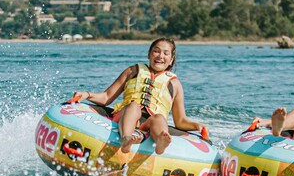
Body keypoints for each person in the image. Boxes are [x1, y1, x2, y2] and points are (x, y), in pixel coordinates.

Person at [73, 38, 206, 154]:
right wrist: (86, 94)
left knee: (159, 118)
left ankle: (160, 142)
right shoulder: (133, 71)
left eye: (166, 53)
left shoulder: (175, 84)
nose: (160, 56)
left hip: (149, 123)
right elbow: (107, 97)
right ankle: (126, 139)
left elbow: (180, 120)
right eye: (156, 51)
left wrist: (197, 126)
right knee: (134, 106)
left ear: (171, 60)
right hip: (126, 115)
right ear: (149, 54)